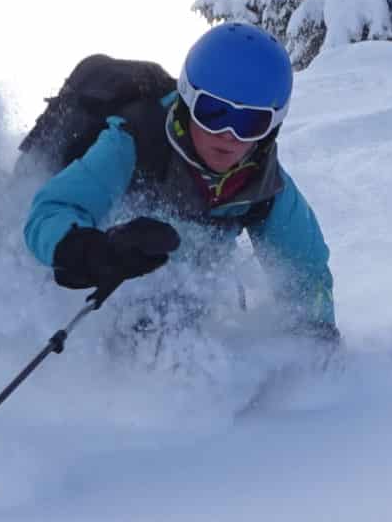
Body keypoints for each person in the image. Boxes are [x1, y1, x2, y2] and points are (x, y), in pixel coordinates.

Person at [22, 23, 337, 339]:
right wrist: (91, 251)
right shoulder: (134, 141)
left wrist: (315, 337)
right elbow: (52, 210)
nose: (229, 133)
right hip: (82, 260)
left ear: (273, 126)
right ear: (187, 102)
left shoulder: (266, 187)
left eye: (250, 121)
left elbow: (307, 274)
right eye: (213, 112)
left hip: (174, 294)